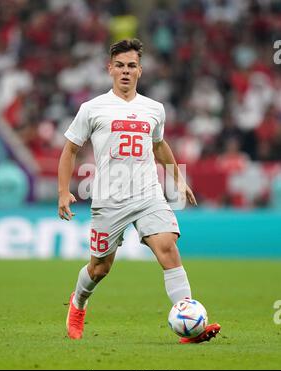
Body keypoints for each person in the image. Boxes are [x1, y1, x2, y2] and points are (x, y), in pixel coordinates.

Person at [58, 38, 221, 343]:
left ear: (140, 71)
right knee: (99, 268)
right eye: (119, 65)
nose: (125, 71)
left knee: (168, 249)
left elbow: (159, 146)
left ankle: (189, 326)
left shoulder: (154, 109)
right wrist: (63, 191)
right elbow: (69, 150)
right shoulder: (93, 108)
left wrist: (178, 179)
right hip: (109, 199)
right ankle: (78, 303)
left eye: (131, 66)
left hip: (148, 194)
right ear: (110, 69)